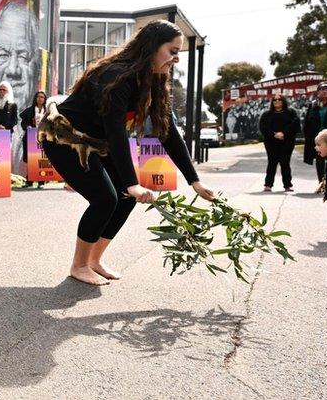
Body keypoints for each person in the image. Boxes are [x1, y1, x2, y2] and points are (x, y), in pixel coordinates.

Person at [38, 20, 215, 286]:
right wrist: (132, 183)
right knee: (106, 199)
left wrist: (194, 180)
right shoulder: (116, 76)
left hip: (96, 142)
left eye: (179, 53)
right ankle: (79, 265)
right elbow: (116, 133)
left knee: (125, 199)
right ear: (153, 47)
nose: (176, 59)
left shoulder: (154, 81)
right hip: (64, 137)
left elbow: (167, 132)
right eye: (172, 51)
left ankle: (93, 260)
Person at [259, 94, 300, 192]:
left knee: (285, 163)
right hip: (271, 142)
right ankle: (268, 184)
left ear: (283, 101)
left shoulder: (291, 112)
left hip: (287, 142)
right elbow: (262, 127)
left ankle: (287, 185)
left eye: (279, 100)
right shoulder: (266, 114)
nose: (277, 101)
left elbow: (295, 125)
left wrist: (284, 133)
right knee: (272, 162)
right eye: (275, 100)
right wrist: (274, 134)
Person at [19, 90, 47, 188]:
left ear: (44, 99)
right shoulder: (30, 110)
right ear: (35, 98)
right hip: (30, 138)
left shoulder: (47, 111)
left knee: (41, 159)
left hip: (43, 139)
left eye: (42, 97)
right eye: (38, 96)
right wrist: (27, 127)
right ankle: (29, 181)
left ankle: (41, 182)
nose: (40, 98)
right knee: (30, 160)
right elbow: (23, 122)